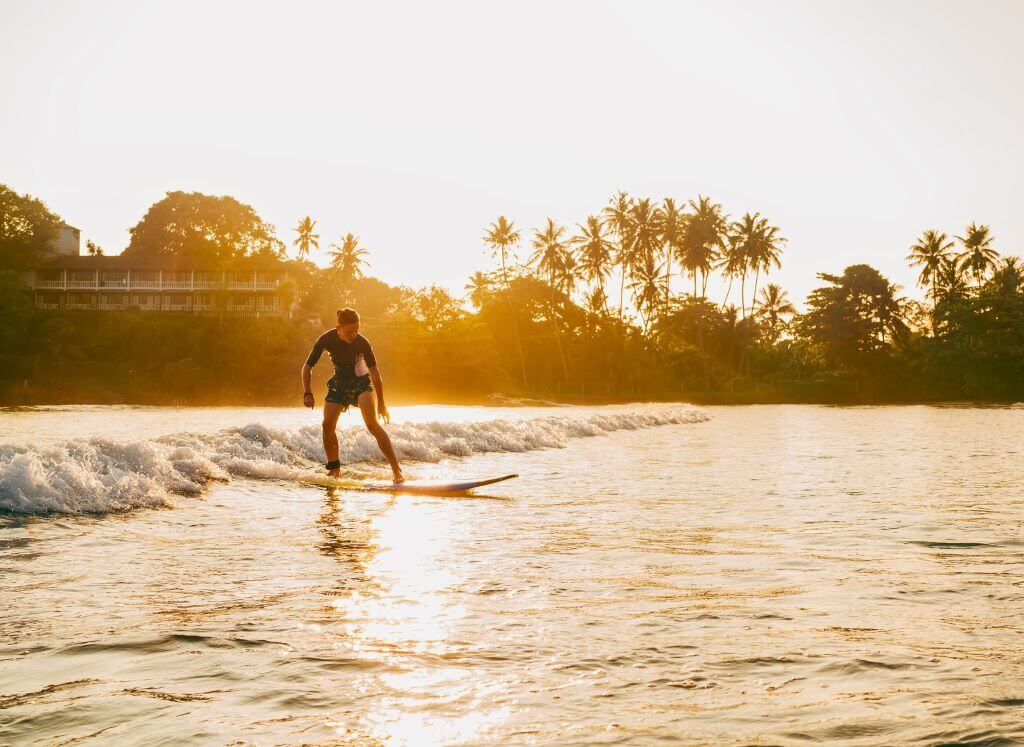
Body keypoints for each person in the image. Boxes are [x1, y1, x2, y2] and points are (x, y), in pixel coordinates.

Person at [301, 308, 404, 483]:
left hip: (361, 383)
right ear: (338, 328)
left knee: (372, 424)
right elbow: (307, 367)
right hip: (339, 384)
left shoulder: (363, 343)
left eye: (356, 330)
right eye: (349, 331)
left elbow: (375, 373)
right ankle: (334, 470)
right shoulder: (326, 339)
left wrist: (382, 403)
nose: (354, 334)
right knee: (327, 425)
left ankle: (397, 470)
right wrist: (307, 392)